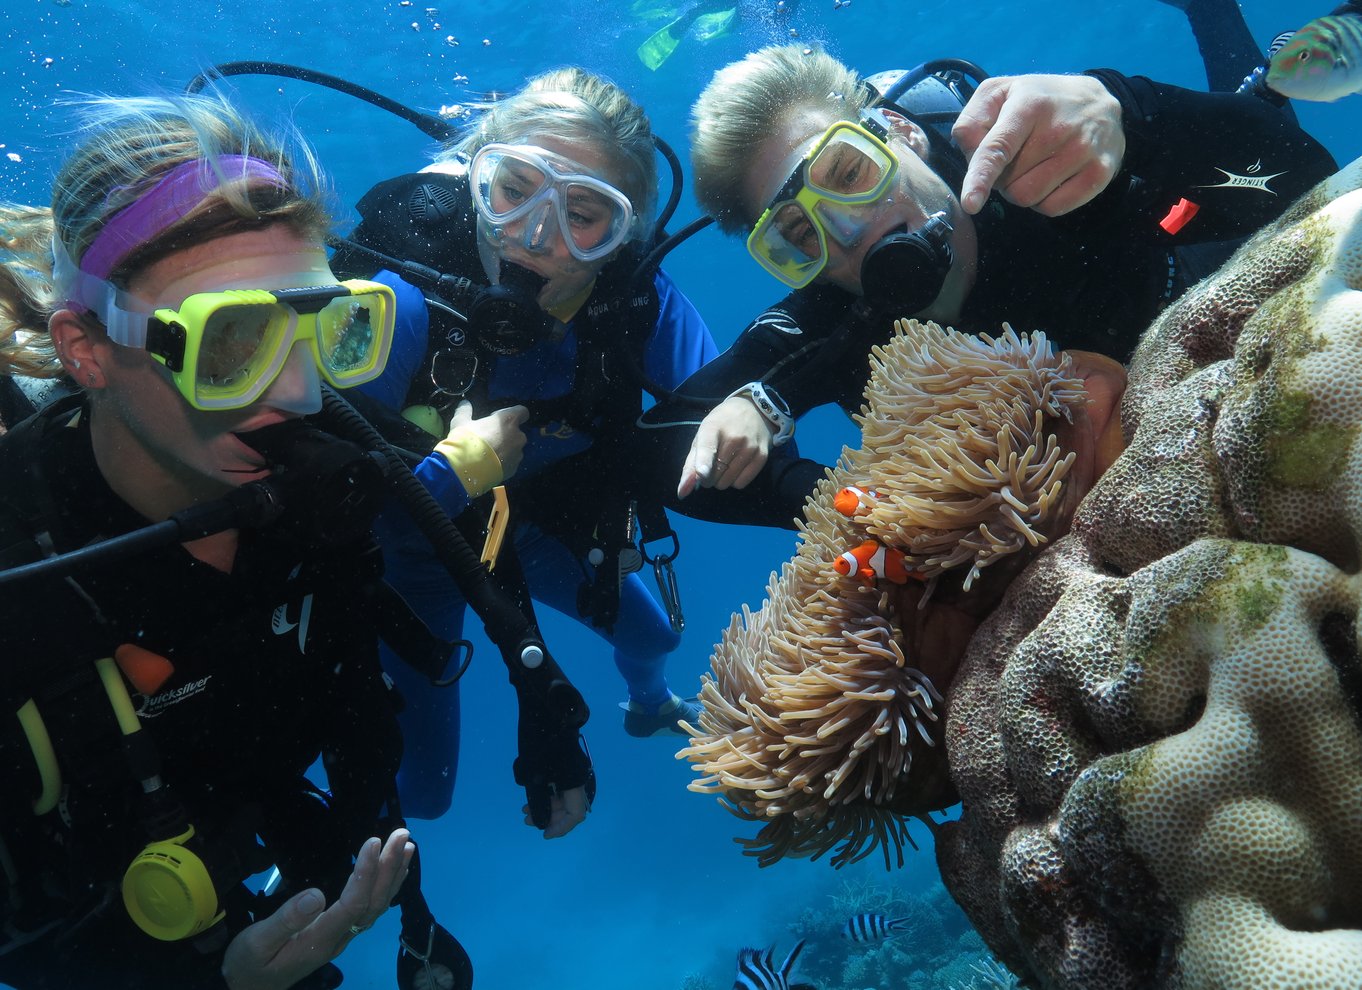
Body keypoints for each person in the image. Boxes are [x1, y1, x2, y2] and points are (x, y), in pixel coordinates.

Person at [0, 92, 462, 989]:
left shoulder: (323, 473)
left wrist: (355, 860)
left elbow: (354, 692)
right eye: (227, 345)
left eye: (326, 329)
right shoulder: (20, 578)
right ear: (86, 350)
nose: (293, 395)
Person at [639, 0, 1340, 524]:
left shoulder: (1037, 170)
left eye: (848, 172)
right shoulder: (831, 316)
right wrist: (833, 497)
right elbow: (657, 450)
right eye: (798, 231)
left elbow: (1301, 178)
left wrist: (1131, 113)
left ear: (904, 133)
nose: (848, 232)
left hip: (1194, 276)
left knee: (1266, 114)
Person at [329, 66, 717, 821]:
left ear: (625, 232)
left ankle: (648, 702)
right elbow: (338, 507)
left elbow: (717, 408)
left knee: (654, 634)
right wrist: (454, 473)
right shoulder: (399, 303)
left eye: (584, 214)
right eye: (514, 191)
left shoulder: (637, 305)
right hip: (414, 555)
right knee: (427, 794)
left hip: (541, 526)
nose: (536, 236)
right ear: (477, 178)